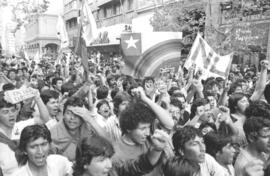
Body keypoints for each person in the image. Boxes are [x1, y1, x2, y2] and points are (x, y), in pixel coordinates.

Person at [72, 130, 167, 176]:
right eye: (101, 160)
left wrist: (157, 149)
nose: (109, 165)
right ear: (84, 163)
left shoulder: (112, 172)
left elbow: (140, 165)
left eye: (109, 158)